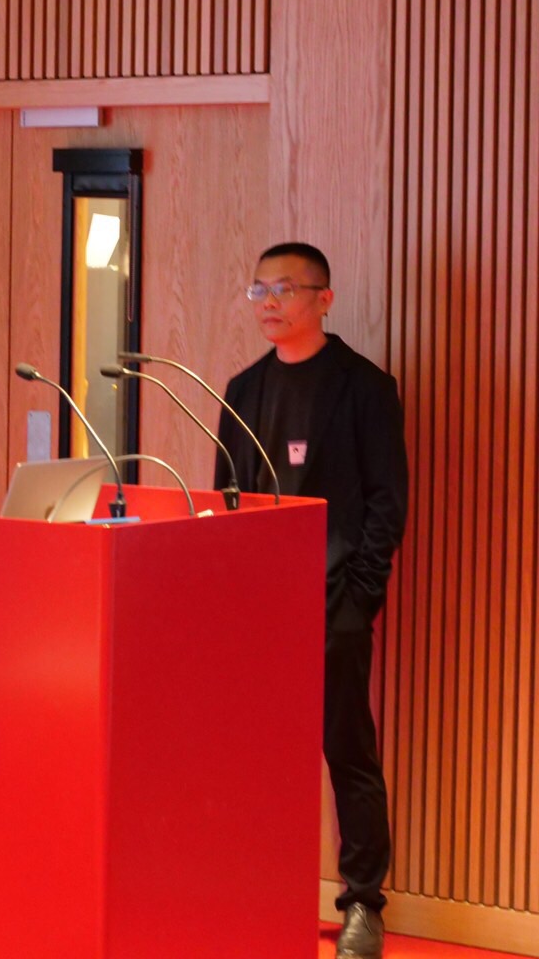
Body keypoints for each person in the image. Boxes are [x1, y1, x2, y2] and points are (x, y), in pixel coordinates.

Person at [215, 242, 407, 959]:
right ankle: (256, 891)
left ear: (323, 299)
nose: (269, 302)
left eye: (285, 289)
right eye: (258, 289)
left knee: (348, 754)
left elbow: (387, 501)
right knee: (253, 757)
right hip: (257, 610)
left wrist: (360, 596)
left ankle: (362, 905)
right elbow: (226, 500)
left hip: (334, 604)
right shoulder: (242, 389)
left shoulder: (364, 387)